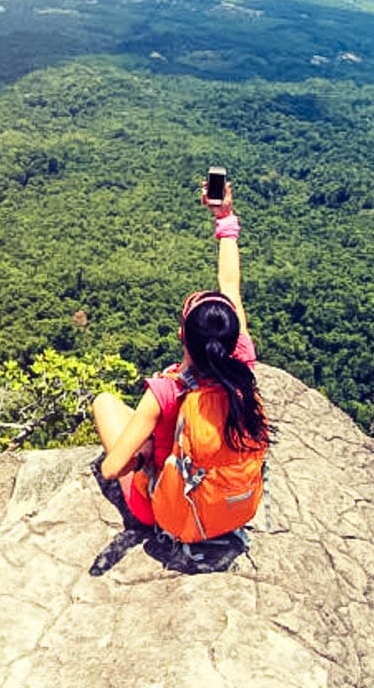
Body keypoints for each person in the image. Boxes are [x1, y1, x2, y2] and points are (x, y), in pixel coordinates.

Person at [91, 178, 270, 541]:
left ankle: (153, 481)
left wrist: (142, 459)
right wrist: (225, 217)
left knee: (105, 402)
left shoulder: (165, 392)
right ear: (233, 335)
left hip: (165, 507)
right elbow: (230, 286)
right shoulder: (243, 362)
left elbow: (111, 469)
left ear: (181, 337)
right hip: (228, 506)